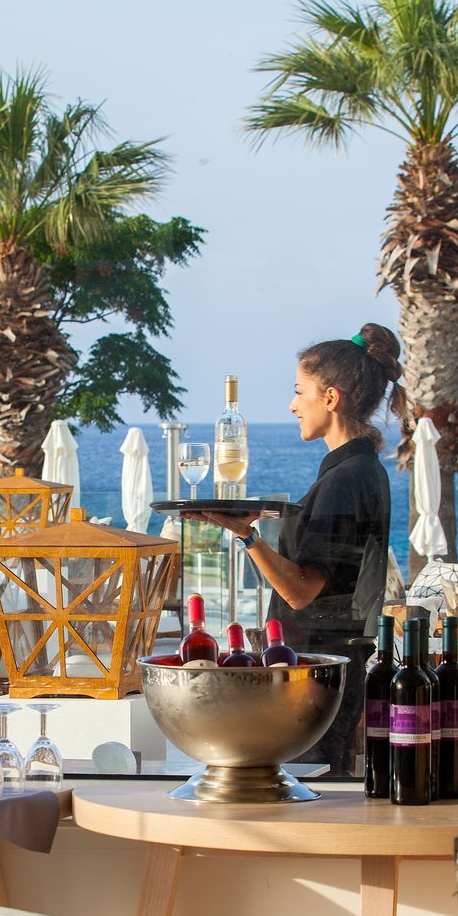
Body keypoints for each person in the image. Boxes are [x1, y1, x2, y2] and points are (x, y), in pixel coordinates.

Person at [190, 322, 401, 777]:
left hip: (316, 673)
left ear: (330, 397)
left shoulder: (343, 481)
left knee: (315, 795)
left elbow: (301, 591)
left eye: (299, 390)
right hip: (338, 663)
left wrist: (247, 536)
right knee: (328, 790)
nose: (291, 405)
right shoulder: (364, 471)